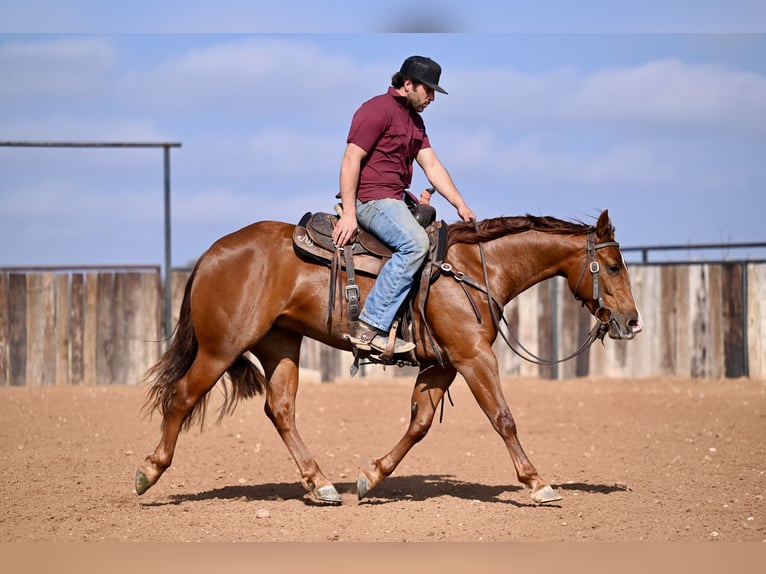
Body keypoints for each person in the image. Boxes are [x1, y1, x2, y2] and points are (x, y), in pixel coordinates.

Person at [332, 55, 476, 354]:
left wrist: (461, 205)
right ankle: (370, 327)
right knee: (414, 244)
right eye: (428, 90)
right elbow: (350, 159)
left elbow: (432, 166)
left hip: (397, 200)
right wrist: (349, 213)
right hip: (371, 200)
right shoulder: (376, 110)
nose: (432, 97)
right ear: (407, 83)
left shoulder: (416, 122)